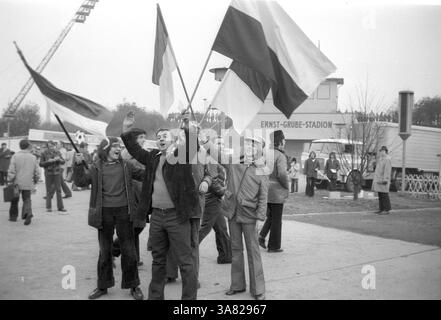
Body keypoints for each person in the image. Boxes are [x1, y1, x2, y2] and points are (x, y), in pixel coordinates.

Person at [121, 111, 201, 300]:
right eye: (158, 137)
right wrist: (126, 128)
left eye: (164, 136)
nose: (161, 139)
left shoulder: (181, 156)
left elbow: (192, 145)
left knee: (186, 262)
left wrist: (188, 127)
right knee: (158, 261)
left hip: (178, 217)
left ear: (173, 140)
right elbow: (133, 149)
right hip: (157, 217)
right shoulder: (152, 157)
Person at [73, 137, 144, 300]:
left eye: (119, 146)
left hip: (124, 212)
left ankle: (134, 286)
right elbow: (80, 181)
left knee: (129, 250)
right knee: (105, 251)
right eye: (114, 146)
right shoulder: (96, 167)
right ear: (105, 150)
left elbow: (144, 175)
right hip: (103, 213)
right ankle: (103, 286)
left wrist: (160, 165)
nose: (118, 149)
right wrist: (77, 165)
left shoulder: (127, 165)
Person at [201, 131, 268, 300]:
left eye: (254, 144)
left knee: (253, 252)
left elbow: (263, 196)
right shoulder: (233, 163)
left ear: (260, 149)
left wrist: (260, 218)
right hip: (232, 213)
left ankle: (258, 289)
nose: (250, 146)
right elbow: (218, 154)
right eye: (248, 143)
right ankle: (237, 285)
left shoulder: (262, 170)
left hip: (250, 215)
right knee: (236, 250)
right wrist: (207, 142)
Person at [113, 129, 147, 267]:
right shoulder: (127, 154)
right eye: (140, 137)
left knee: (136, 228)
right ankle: (112, 250)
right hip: (130, 196)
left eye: (144, 137)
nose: (143, 140)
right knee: (136, 227)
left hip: (142, 196)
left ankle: (136, 258)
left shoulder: (143, 153)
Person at [259, 130, 289, 253]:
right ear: (280, 141)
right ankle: (274, 245)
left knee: (271, 216)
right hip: (277, 192)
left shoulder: (266, 154)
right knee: (277, 219)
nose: (285, 141)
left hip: (266, 190)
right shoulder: (280, 156)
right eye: (284, 139)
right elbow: (282, 174)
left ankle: (261, 237)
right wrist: (286, 185)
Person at [7, 139, 40, 225]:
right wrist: (36, 180)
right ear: (28, 146)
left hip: (16, 182)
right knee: (27, 199)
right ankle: (28, 213)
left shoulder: (15, 156)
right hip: (28, 182)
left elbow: (11, 170)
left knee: (14, 200)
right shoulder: (33, 157)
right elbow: (37, 172)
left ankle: (13, 217)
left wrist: (10, 179)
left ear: (20, 146)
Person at [39, 140, 66, 212]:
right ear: (47, 147)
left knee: (59, 190)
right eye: (49, 146)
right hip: (48, 173)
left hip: (57, 173)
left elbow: (63, 162)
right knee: (48, 191)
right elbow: (41, 164)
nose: (51, 147)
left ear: (55, 146)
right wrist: (48, 161)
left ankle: (60, 207)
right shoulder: (44, 153)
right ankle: (49, 207)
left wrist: (59, 159)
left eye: (52, 146)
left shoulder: (58, 152)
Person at [372, 146, 392, 215]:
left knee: (384, 195)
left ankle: (387, 209)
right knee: (380, 194)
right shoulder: (381, 159)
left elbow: (387, 170)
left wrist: (385, 179)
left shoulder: (387, 159)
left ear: (385, 151)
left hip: (383, 180)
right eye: (380, 151)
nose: (380, 152)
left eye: (382, 151)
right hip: (379, 179)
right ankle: (381, 209)